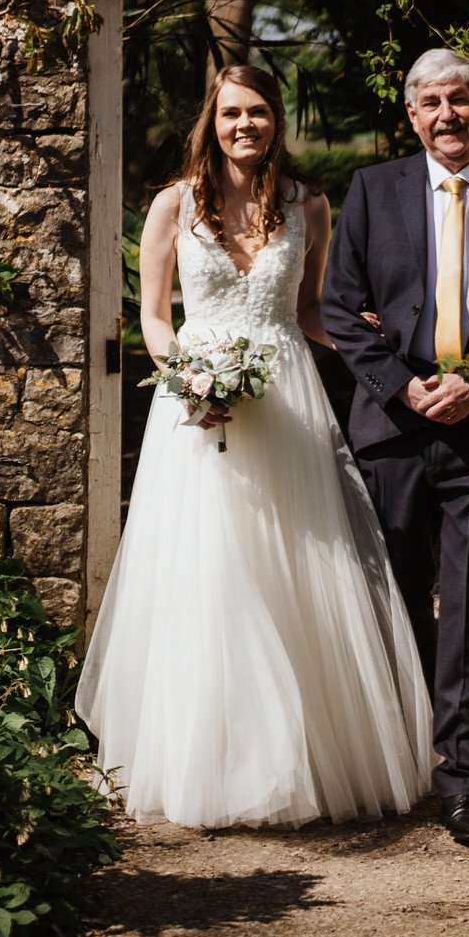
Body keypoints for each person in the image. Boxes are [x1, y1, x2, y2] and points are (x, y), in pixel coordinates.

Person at [76, 64, 434, 829]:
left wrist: (378, 348)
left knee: (296, 568)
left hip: (288, 399)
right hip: (200, 408)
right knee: (209, 572)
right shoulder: (173, 204)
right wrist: (188, 382)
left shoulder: (310, 204)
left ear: (276, 121)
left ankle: (301, 756)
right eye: (233, 113)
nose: (247, 125)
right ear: (213, 120)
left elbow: (309, 309)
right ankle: (206, 760)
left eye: (261, 113)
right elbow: (153, 318)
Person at [321, 48, 469, 849]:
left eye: (460, 100)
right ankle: (396, 761)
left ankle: (464, 779)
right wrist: (402, 385)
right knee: (393, 599)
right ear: (412, 114)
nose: (446, 115)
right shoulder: (372, 190)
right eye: (431, 103)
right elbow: (339, 303)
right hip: (395, 427)